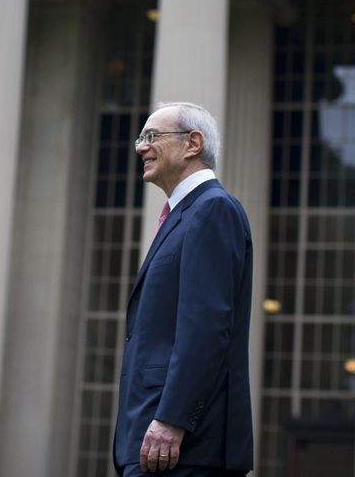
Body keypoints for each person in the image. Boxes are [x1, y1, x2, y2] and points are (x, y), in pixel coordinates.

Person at [113, 102, 253, 477]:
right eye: (141, 138)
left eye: (152, 136)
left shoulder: (212, 209)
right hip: (155, 444)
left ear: (193, 143)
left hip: (182, 449)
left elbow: (205, 327)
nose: (141, 147)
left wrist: (173, 419)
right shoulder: (184, 215)